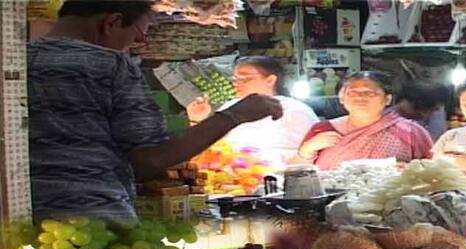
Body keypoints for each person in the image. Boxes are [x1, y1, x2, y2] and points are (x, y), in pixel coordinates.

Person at [28, 0, 281, 222]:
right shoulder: (111, 66)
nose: (140, 42)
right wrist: (235, 115)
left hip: (22, 216)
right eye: (138, 33)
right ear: (112, 23)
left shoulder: (18, 61)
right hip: (94, 215)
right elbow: (150, 159)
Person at [186, 56, 318, 164]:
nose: (237, 83)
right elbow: (204, 150)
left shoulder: (295, 110)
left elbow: (311, 151)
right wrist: (196, 120)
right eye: (235, 79)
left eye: (244, 79)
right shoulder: (229, 107)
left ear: (270, 80)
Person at [292, 71, 433, 170]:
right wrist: (307, 151)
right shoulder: (321, 130)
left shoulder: (410, 132)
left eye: (370, 93)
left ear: (388, 99)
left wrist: (412, 170)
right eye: (353, 93)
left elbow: (435, 172)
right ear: (342, 98)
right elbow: (295, 174)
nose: (360, 98)